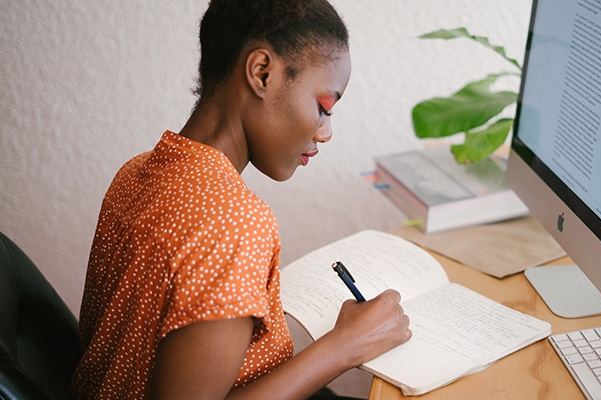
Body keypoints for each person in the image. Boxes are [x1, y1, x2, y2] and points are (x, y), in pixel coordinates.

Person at [69, 1, 412, 399]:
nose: (325, 133)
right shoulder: (234, 222)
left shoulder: (136, 172)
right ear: (262, 73)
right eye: (323, 108)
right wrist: (344, 346)